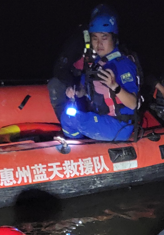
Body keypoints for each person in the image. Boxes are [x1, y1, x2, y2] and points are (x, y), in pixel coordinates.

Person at [59, 6, 140, 142]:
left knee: (68, 119)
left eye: (104, 37)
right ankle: (84, 144)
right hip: (103, 119)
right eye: (95, 38)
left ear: (113, 38)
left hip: (118, 126)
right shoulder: (96, 63)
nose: (99, 44)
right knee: (69, 112)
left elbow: (133, 104)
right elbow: (85, 90)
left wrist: (115, 86)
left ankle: (78, 148)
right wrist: (75, 92)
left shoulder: (122, 64)